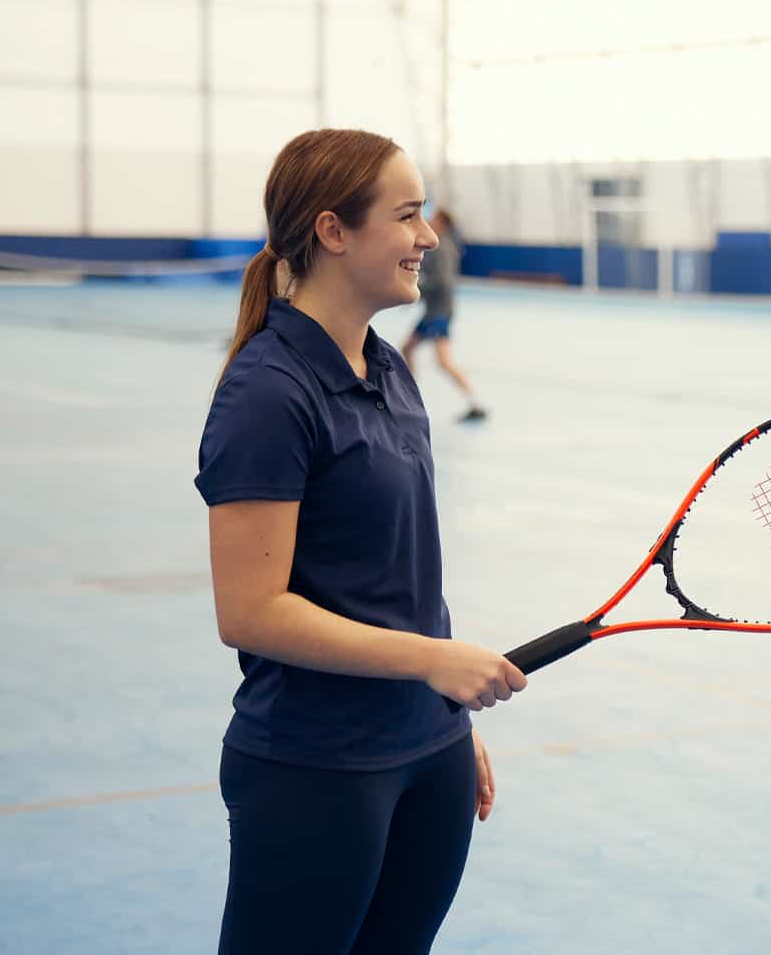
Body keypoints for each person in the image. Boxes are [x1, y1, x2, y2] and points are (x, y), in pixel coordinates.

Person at [196, 129, 528, 954]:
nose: (428, 236)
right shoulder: (268, 394)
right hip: (319, 768)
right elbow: (251, 611)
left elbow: (401, 580)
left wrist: (445, 710)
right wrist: (431, 664)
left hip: (430, 751)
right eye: (407, 216)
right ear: (333, 231)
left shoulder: (389, 370)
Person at [402, 205, 488, 422]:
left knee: (443, 361)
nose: (429, 219)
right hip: (433, 311)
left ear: (442, 223)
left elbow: (442, 282)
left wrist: (416, 289)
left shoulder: (443, 248)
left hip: (440, 312)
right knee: (407, 348)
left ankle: (474, 402)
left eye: (433, 217)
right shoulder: (440, 245)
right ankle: (409, 399)